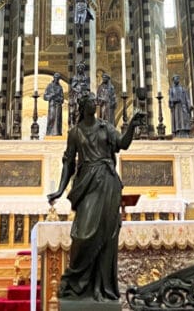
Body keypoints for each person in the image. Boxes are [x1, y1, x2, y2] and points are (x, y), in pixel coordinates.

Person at [47, 94, 145, 302]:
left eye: (96, 101)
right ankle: (77, 283)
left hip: (108, 183)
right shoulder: (75, 133)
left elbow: (122, 144)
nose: (96, 103)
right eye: (91, 101)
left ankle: (102, 287)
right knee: (82, 235)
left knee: (107, 234)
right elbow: (68, 163)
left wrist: (132, 128)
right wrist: (59, 189)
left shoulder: (105, 127)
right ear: (83, 107)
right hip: (87, 183)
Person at [43, 72, 64, 136]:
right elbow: (45, 96)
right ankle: (49, 132)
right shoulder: (49, 86)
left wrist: (59, 99)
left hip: (58, 105)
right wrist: (51, 95)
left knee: (57, 119)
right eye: (56, 78)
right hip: (52, 104)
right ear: (54, 78)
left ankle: (57, 133)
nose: (57, 79)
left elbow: (62, 98)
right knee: (51, 118)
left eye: (58, 78)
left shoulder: (60, 87)